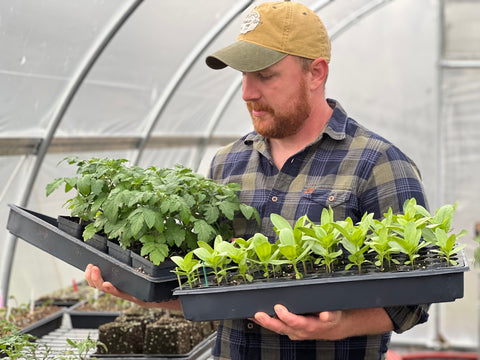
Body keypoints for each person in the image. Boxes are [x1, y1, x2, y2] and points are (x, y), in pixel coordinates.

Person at [85, 1, 430, 359]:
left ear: (315, 73)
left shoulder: (378, 164)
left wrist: (339, 326)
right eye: (243, 76)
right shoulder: (227, 164)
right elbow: (209, 291)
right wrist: (146, 291)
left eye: (265, 75)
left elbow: (416, 299)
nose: (248, 93)